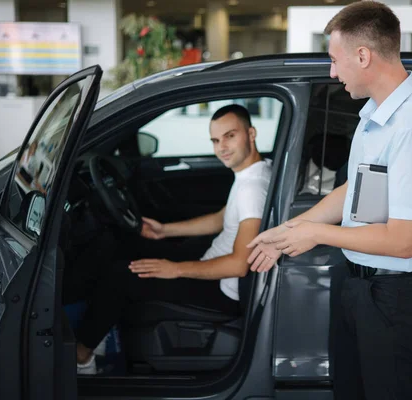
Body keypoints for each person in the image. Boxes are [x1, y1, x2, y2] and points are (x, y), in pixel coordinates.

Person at [246, 2, 412, 399]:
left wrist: (319, 234)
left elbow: (403, 241)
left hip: (396, 296)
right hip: (361, 285)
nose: (332, 72)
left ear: (363, 56)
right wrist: (293, 228)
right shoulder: (375, 116)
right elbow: (359, 190)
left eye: (334, 59)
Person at [75, 104, 272, 374]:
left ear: (251, 133)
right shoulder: (254, 173)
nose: (221, 147)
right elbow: (221, 219)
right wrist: (164, 231)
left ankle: (81, 357)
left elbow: (239, 264)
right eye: (215, 140)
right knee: (129, 247)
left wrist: (174, 269)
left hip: (222, 290)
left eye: (230, 136)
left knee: (120, 275)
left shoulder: (252, 188)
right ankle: (96, 331)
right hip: (214, 264)